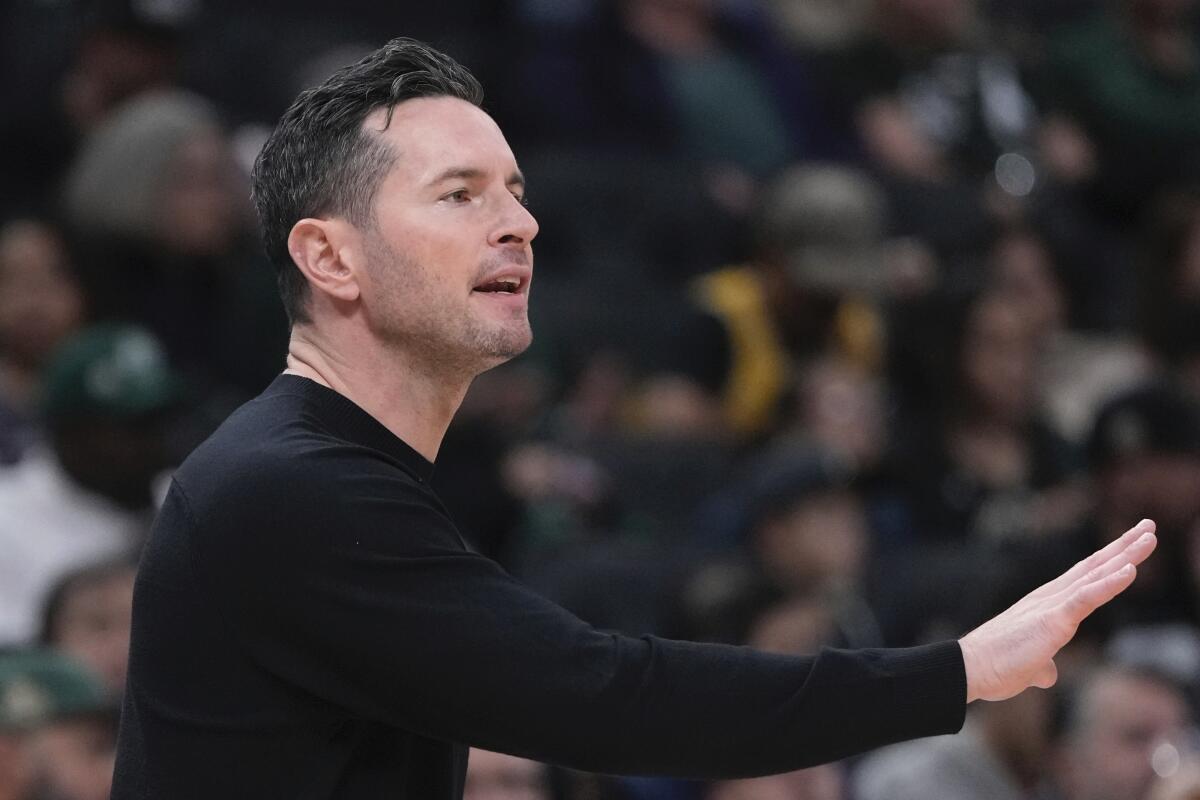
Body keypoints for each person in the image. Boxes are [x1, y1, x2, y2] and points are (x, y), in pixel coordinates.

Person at [111, 37, 1160, 799]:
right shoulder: (293, 487)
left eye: (515, 189)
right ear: (328, 257)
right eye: (461, 193)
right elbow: (603, 694)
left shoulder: (325, 470)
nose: (520, 221)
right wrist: (960, 670)